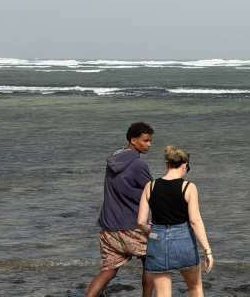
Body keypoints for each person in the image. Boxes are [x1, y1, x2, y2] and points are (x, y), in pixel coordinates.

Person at [86, 123, 155, 297]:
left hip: (109, 226)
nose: (149, 145)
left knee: (109, 270)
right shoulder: (139, 164)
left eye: (150, 141)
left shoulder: (113, 160)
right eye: (146, 141)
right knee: (151, 262)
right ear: (133, 140)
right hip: (132, 225)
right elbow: (152, 193)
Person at [138, 146, 214, 297]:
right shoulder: (188, 187)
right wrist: (208, 251)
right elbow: (195, 221)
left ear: (167, 164)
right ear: (185, 165)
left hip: (157, 242)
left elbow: (141, 222)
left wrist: (153, 233)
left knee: (163, 294)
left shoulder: (150, 186)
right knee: (195, 288)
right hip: (183, 241)